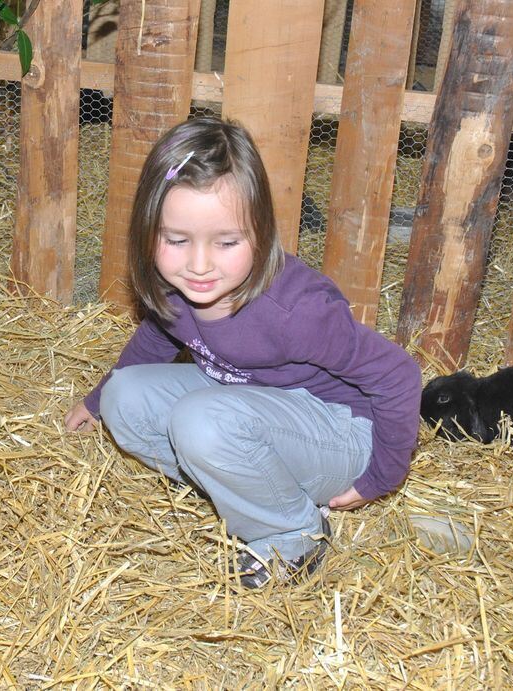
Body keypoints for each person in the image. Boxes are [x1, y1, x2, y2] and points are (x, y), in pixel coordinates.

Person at [65, 116, 421, 589]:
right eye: (176, 240)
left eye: (226, 242)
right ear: (149, 231)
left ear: (262, 231)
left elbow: (398, 374)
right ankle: (246, 489)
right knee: (124, 399)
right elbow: (155, 340)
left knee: (203, 420)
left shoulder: (295, 311)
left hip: (340, 435)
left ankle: (293, 535)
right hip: (253, 408)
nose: (198, 265)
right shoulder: (176, 289)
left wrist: (382, 476)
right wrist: (95, 400)